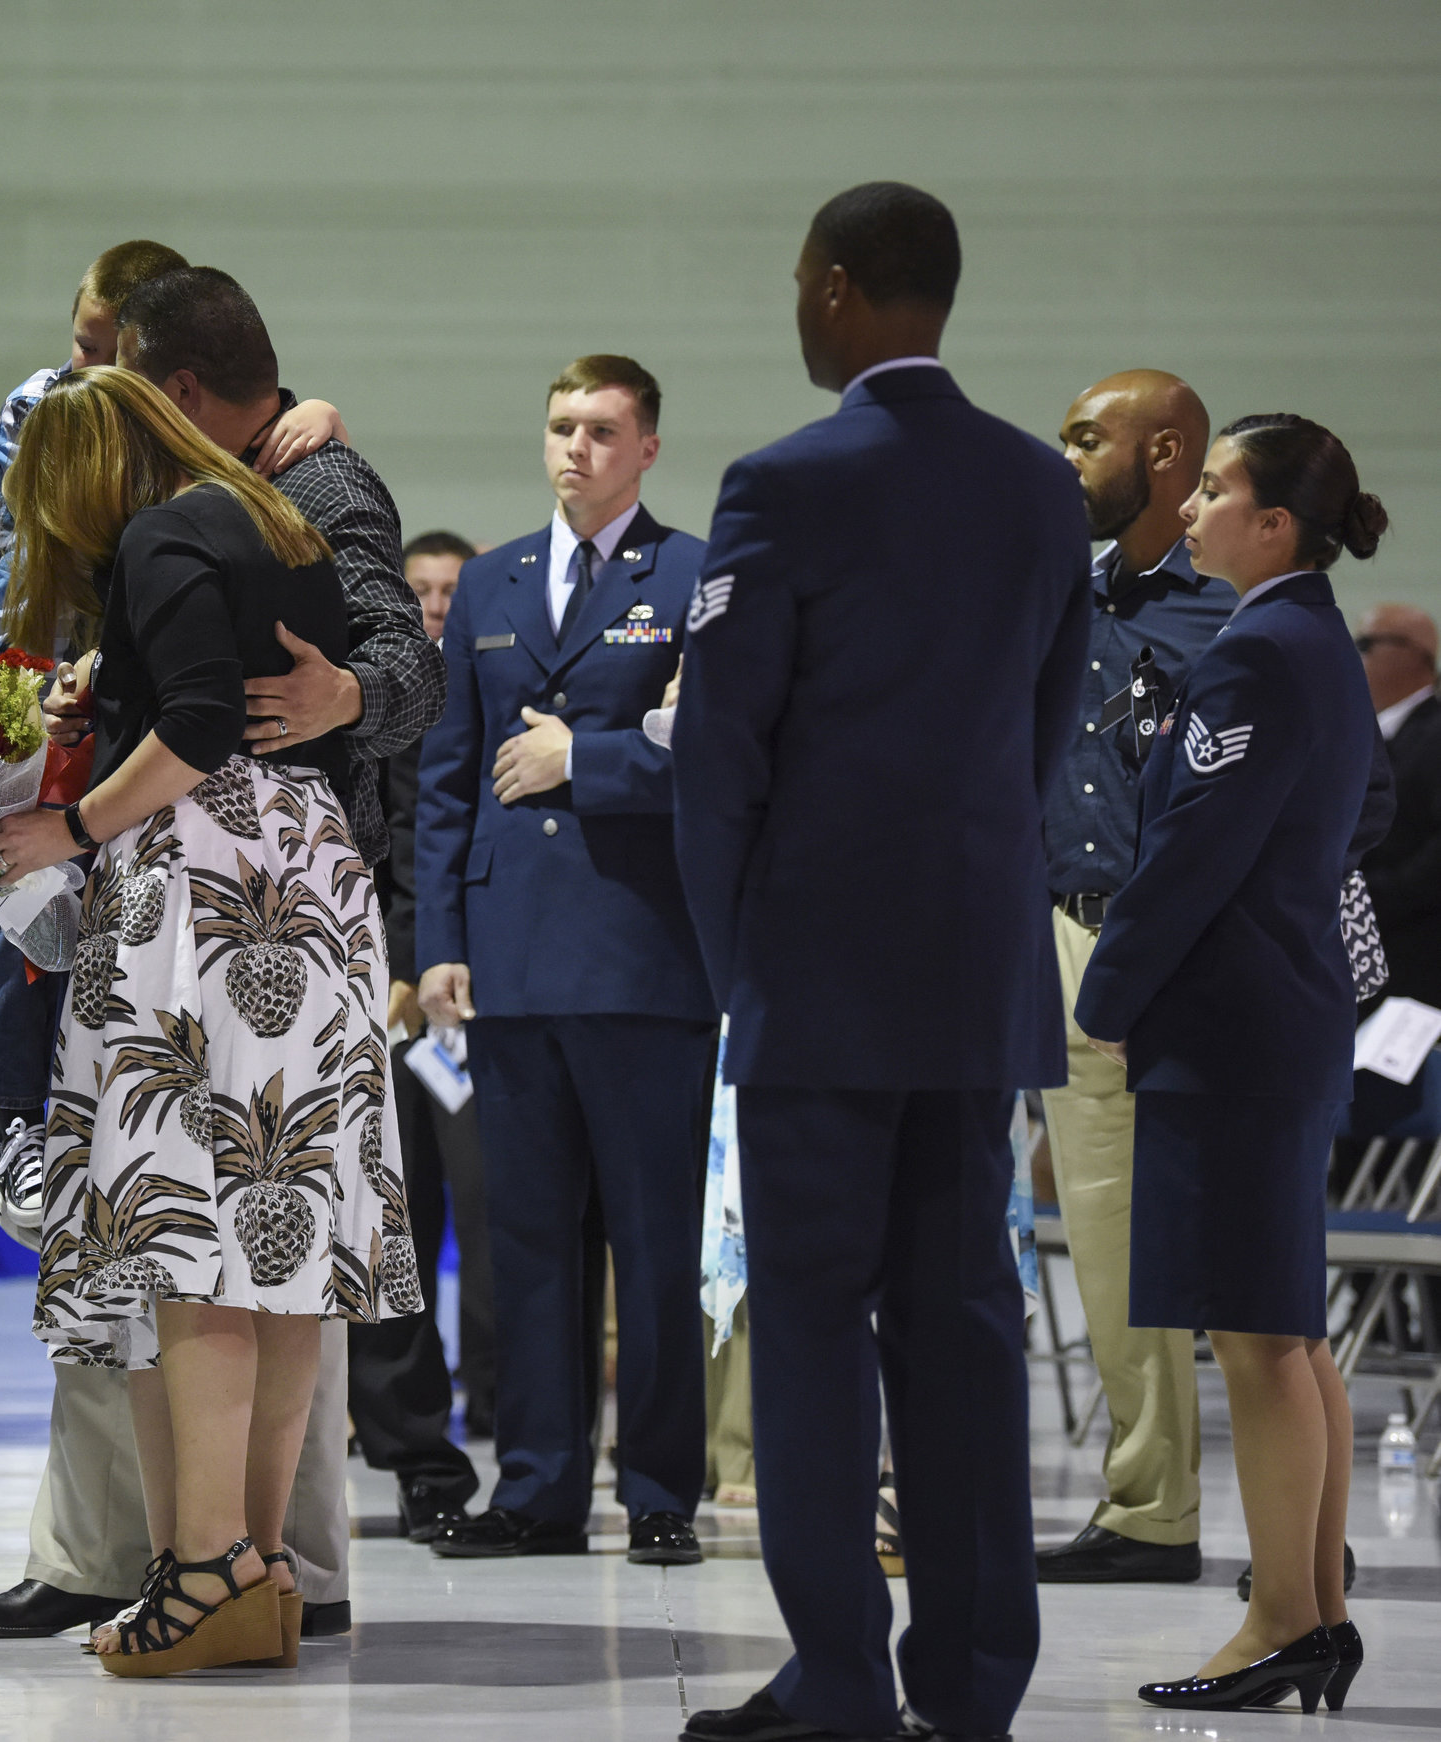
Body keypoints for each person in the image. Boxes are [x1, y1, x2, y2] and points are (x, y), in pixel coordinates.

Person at [670, 183, 1089, 1742]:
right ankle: (972, 1686)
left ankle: (840, 1677)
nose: (799, 305)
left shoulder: (784, 484)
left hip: (819, 975)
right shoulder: (1042, 486)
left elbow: (722, 753)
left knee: (813, 1331)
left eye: (802, 281)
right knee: (963, 1327)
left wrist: (740, 964)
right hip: (975, 969)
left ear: (841, 289)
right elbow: (1044, 730)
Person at [0, 248, 362, 1644]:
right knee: (279, 1249)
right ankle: (259, 1567)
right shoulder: (273, 517)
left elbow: (198, 722)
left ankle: (200, 1566)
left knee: (186, 1239)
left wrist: (67, 823)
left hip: (203, 902)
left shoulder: (168, 535)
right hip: (305, 888)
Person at [1076, 415, 1391, 1715]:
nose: (1192, 506)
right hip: (1279, 1015)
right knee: (1289, 1331)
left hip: (1233, 1027)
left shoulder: (1260, 650)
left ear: (1274, 525)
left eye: (1215, 489)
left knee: (1258, 1339)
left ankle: (1279, 1617)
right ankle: (1313, 1612)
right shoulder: (1313, 639)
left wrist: (1106, 994)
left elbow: (1191, 850)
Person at [0, 240, 345, 1229]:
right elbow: (0, 586)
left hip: (189, 811)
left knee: (193, 1166)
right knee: (26, 850)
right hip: (132, 741)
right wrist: (25, 692)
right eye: (80, 346)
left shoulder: (188, 515)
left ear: (164, 377)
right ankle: (17, 1111)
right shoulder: (64, 418)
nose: (85, 369)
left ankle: (82, 1133)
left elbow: (200, 716)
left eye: (107, 354)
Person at [416, 355, 714, 1568]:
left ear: (647, 448)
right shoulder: (489, 579)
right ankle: (536, 1487)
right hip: (512, 955)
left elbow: (722, 758)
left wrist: (583, 758)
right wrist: (439, 943)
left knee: (651, 1240)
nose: (574, 448)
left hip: (641, 952)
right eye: (559, 427)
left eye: (600, 429)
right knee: (527, 1239)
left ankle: (660, 1489)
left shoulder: (694, 577)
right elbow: (445, 778)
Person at [1034, 372, 1233, 1585]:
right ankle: (1149, 1508)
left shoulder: (1234, 616)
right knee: (1102, 1243)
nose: (1063, 459)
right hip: (1062, 936)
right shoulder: (1049, 601)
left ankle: (1292, 1523)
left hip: (1200, 953)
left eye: (1084, 440)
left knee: (1243, 1255)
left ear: (1163, 453)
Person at [347, 529, 489, 1538]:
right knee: (391, 1229)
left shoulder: (491, 680)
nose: (436, 607)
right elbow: (396, 838)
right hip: (384, 995)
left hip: (480, 993)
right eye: (422, 590)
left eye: (452, 590)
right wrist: (397, 969)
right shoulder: (379, 691)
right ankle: (409, 1442)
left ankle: (511, 1416)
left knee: (491, 1222)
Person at [1352, 602, 1441, 1134]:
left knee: (1390, 1112)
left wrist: (1363, 897)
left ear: (1416, 656)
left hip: (1414, 963)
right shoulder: (1363, 738)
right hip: (1363, 959)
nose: (1354, 657)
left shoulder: (1435, 735)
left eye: (1365, 645)